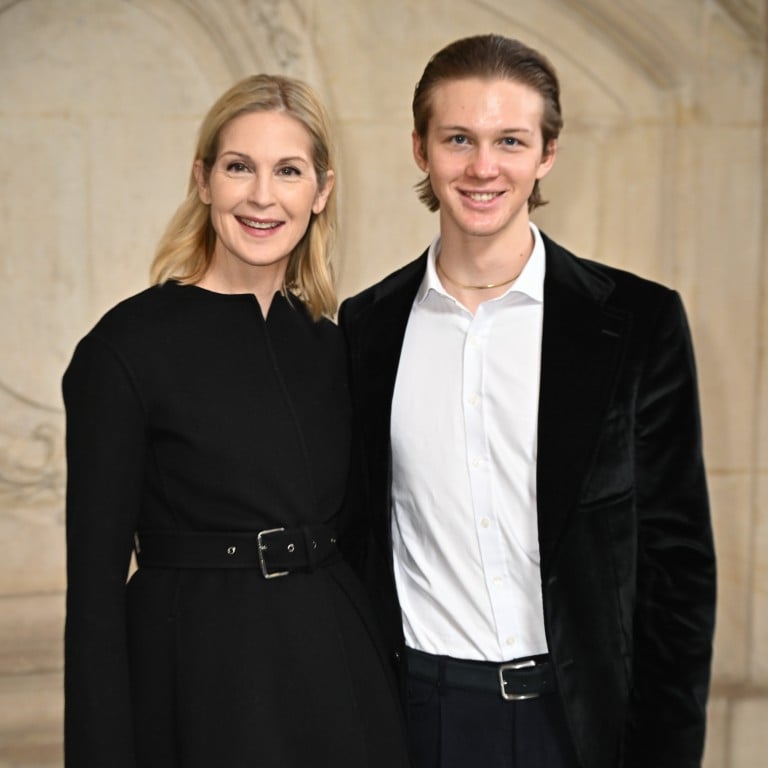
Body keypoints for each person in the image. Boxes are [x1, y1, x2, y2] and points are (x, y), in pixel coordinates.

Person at [339, 34, 716, 768]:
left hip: (580, 725)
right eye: (459, 139)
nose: (484, 167)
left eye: (510, 140)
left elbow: (678, 572)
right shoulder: (365, 328)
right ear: (420, 149)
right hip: (416, 717)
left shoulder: (640, 324)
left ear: (546, 154)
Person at [63, 73, 410, 768]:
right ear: (203, 181)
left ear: (321, 191)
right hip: (198, 676)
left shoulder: (333, 342)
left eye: (288, 171)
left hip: (337, 674)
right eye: (238, 167)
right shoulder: (124, 349)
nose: (261, 196)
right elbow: (95, 599)